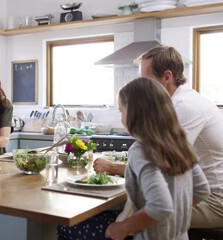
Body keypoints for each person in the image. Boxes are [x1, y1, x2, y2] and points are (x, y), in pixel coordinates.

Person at [59, 78, 210, 240]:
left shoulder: (142, 150)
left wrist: (122, 228)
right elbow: (202, 190)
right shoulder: (179, 144)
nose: (121, 118)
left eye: (121, 111)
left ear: (133, 113)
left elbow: (160, 207)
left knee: (66, 226)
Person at [94, 45, 223, 228]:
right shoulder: (175, 102)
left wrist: (114, 167)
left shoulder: (184, 106)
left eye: (146, 79)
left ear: (167, 76)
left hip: (214, 202)